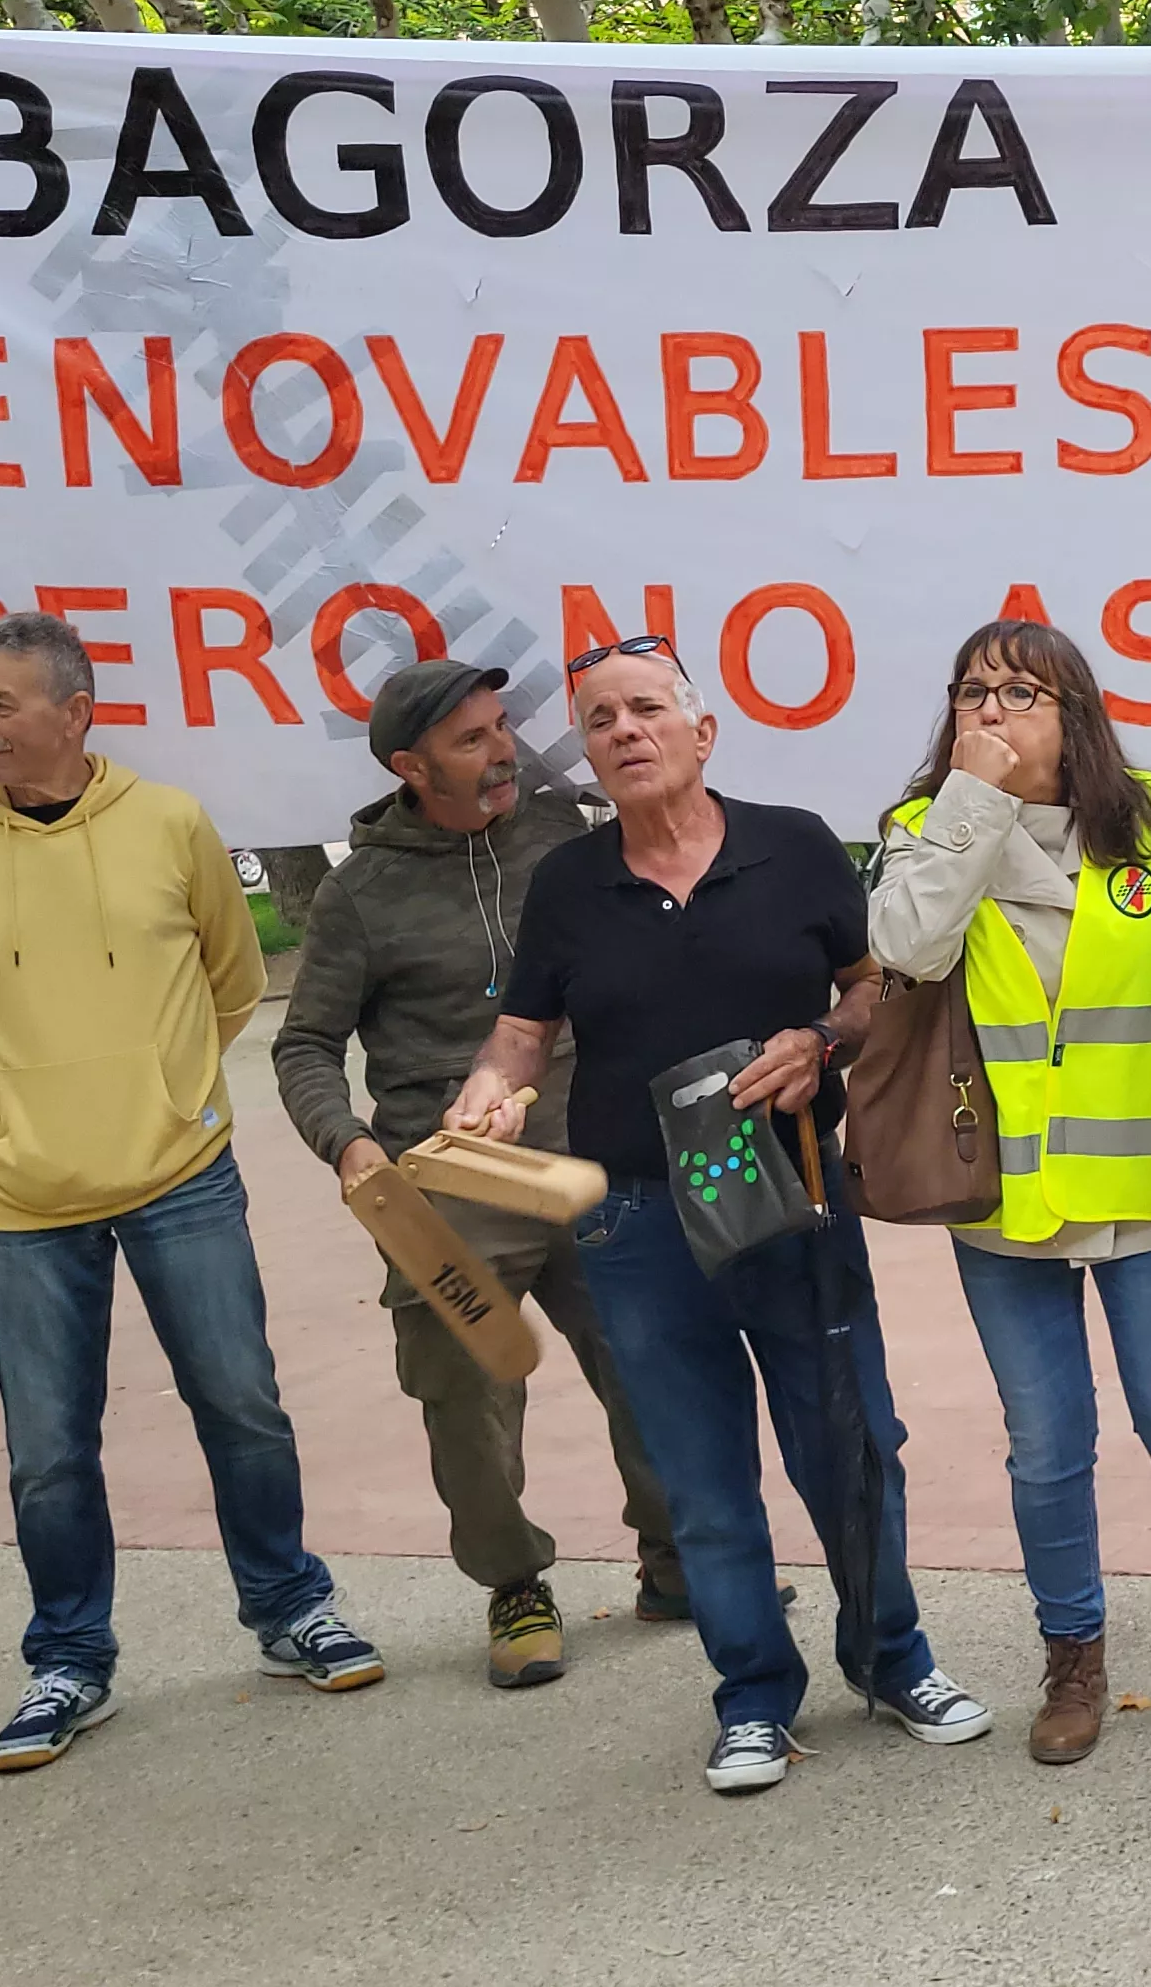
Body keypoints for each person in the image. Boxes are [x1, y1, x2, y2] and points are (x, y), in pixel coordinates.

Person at [444, 637, 987, 1793]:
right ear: (588, 755)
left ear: (704, 730)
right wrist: (493, 1086)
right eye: (600, 719)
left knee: (851, 1445)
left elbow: (872, 984)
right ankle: (750, 1696)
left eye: (646, 707)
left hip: (793, 1197)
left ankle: (894, 1660)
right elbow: (525, 1031)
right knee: (700, 1473)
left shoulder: (792, 845)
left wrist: (820, 1041)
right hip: (637, 1223)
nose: (625, 730)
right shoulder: (568, 885)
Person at [0, 611, 381, 1775]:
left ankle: (290, 1608)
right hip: (24, 1197)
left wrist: (165, 1096)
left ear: (75, 710)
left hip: (181, 1176)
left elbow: (230, 975)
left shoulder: (169, 823)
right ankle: (69, 1656)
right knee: (47, 1448)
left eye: (0, 704)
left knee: (242, 1404)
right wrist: (12, 1121)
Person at [867, 619, 1151, 1764]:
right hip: (1009, 1196)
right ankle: (1072, 1654)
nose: (994, 711)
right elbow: (908, 949)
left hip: (1148, 1180)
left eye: (1022, 691)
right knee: (1045, 1443)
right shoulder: (927, 829)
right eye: (973, 690)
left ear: (1075, 709)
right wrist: (971, 803)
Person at [270, 657, 696, 1690]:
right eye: (473, 740)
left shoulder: (566, 838)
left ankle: (679, 1560)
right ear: (412, 766)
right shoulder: (358, 896)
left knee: (654, 1361)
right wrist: (351, 1144)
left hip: (593, 1150)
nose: (504, 750)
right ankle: (513, 1582)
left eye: (502, 728)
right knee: (463, 1389)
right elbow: (304, 1045)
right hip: (449, 1183)